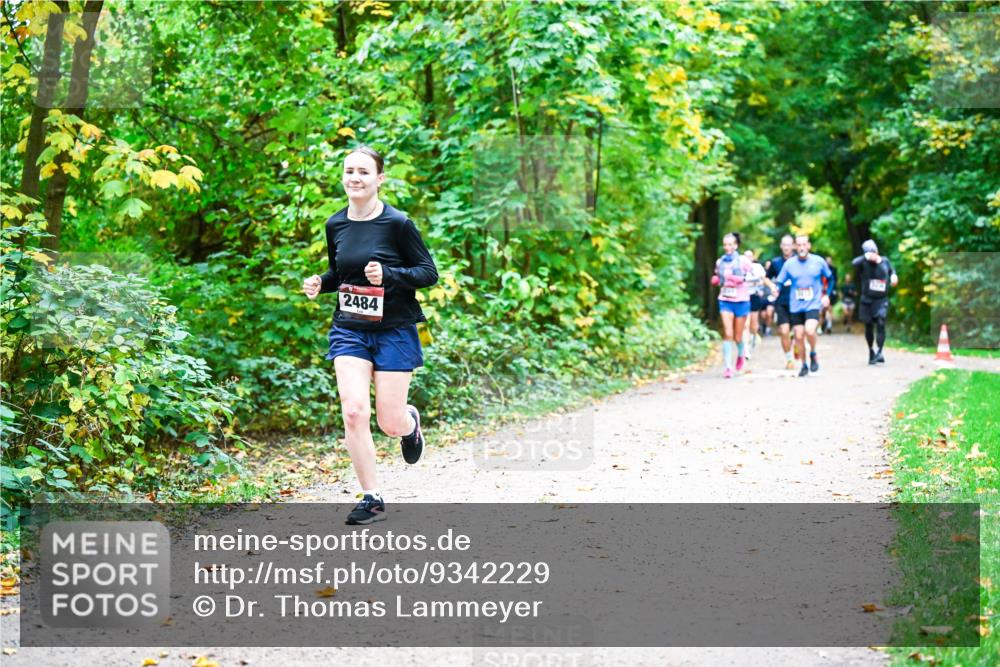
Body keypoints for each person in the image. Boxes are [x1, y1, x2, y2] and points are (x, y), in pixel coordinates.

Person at [303, 145, 438, 525]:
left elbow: (428, 273)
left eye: (363, 172)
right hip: (350, 329)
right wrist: (320, 283)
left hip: (394, 330)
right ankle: (372, 497)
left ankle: (408, 423)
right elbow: (340, 274)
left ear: (379, 178)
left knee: (388, 423)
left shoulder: (398, 224)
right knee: (354, 411)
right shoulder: (335, 224)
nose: (354, 179)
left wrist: (391, 275)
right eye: (349, 171)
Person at [771, 234, 832, 377]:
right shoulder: (789, 264)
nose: (801, 247)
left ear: (809, 246)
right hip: (796, 306)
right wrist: (776, 289)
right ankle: (804, 364)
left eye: (804, 244)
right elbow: (780, 281)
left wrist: (827, 295)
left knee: (810, 331)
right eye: (798, 245)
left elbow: (830, 278)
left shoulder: (818, 261)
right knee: (798, 336)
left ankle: (813, 352)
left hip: (812, 304)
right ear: (795, 247)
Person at [711, 232, 753, 378]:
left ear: (736, 245)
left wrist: (742, 279)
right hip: (725, 300)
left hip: (741, 301)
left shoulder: (743, 261)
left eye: (730, 244)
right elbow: (719, 277)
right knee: (728, 333)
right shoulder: (720, 262)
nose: (727, 247)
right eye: (725, 244)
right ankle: (728, 367)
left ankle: (741, 353)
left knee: (737, 336)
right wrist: (716, 280)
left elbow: (756, 275)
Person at [852, 239, 898, 365]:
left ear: (876, 251)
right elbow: (854, 263)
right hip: (867, 300)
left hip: (881, 300)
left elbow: (891, 270)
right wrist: (865, 256)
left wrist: (894, 276)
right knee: (868, 326)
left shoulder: (885, 261)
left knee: (881, 322)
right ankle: (871, 351)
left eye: (872, 252)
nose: (870, 255)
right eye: (867, 252)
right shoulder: (863, 262)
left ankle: (880, 351)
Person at [765, 235, 797, 369]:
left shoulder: (799, 261)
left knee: (798, 332)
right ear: (781, 246)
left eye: (789, 245)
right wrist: (772, 287)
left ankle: (796, 347)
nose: (786, 247)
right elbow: (766, 278)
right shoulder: (776, 262)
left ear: (793, 246)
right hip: (781, 301)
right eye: (784, 245)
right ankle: (789, 358)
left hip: (798, 302)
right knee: (784, 331)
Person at [742, 249, 770, 359]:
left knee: (753, 325)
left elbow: (763, 280)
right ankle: (745, 348)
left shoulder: (757, 268)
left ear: (753, 258)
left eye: (750, 256)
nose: (747, 258)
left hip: (754, 296)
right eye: (745, 256)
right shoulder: (739, 267)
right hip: (743, 297)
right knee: (745, 324)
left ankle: (754, 336)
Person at [820, 256, 838, 335]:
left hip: (829, 291)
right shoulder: (819, 270)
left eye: (829, 261)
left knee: (829, 308)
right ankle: (822, 325)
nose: (828, 262)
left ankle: (829, 324)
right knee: (821, 311)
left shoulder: (833, 269)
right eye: (827, 261)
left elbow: (834, 280)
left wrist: (833, 290)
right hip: (820, 292)